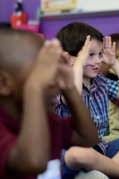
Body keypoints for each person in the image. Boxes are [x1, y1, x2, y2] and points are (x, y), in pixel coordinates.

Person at [55, 22, 119, 179]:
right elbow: (73, 98)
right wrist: (78, 66)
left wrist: (114, 62)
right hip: (68, 154)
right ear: (68, 58)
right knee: (82, 154)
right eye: (90, 55)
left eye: (99, 54)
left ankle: (104, 172)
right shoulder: (62, 82)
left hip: (99, 148)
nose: (98, 61)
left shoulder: (100, 81)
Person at [0, 29, 98, 179]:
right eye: (40, 71)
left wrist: (69, 86)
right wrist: (35, 88)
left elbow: (88, 137)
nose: (52, 79)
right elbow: (33, 162)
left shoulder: (48, 121)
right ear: (3, 84)